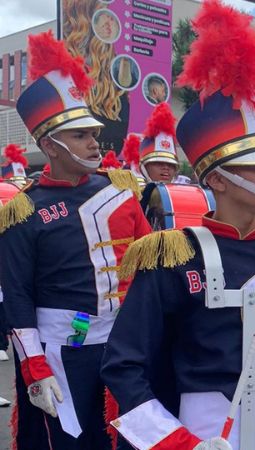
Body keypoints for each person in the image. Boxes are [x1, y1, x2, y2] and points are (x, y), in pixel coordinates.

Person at [101, 3, 255, 449]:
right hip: (205, 434)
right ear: (216, 179)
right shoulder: (172, 253)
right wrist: (176, 442)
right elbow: (123, 364)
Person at [2, 31, 150, 449]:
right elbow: (16, 297)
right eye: (81, 135)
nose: (94, 143)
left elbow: (151, 266)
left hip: (123, 344)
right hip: (61, 353)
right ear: (50, 144)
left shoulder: (121, 190)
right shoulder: (23, 209)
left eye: (93, 133)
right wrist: (35, 367)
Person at [138, 102, 179, 183]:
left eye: (171, 165)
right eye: (159, 163)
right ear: (144, 168)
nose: (166, 168)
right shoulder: (132, 195)